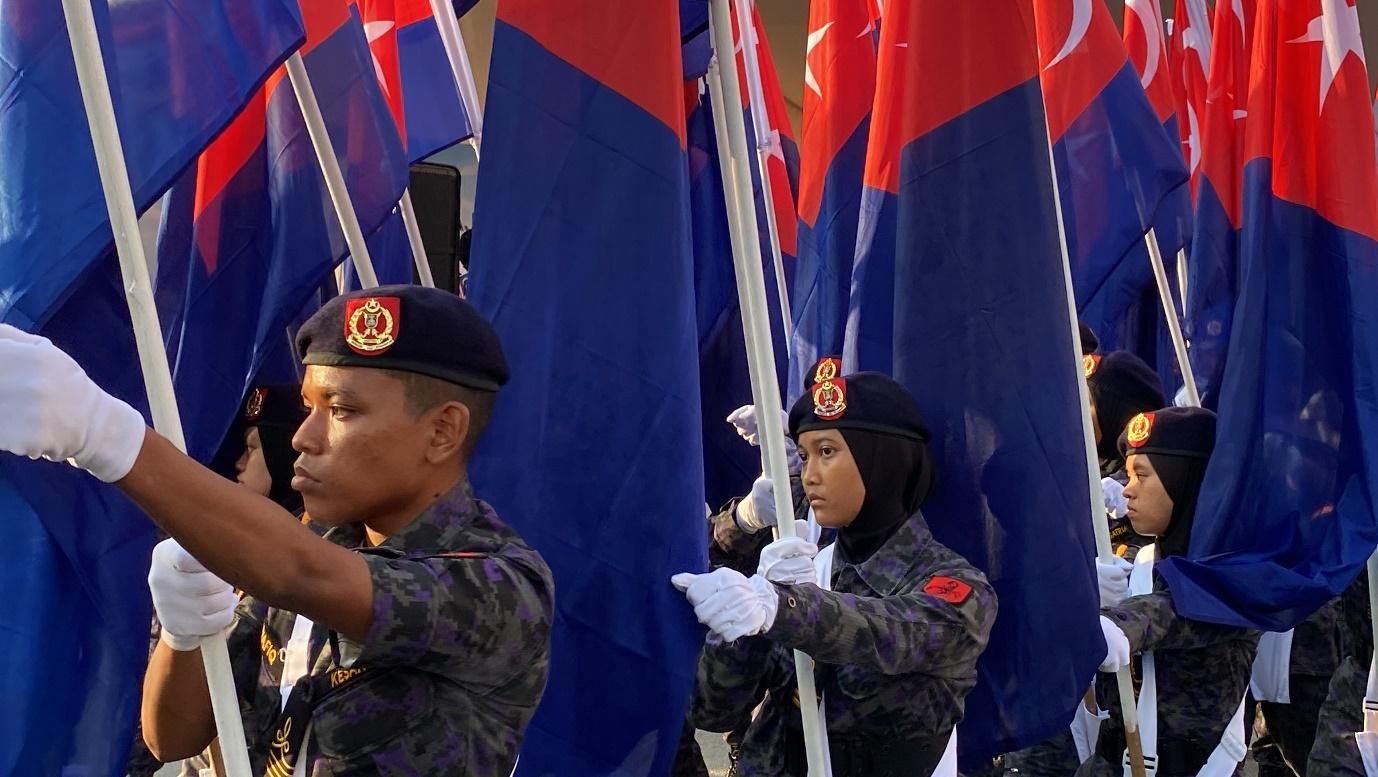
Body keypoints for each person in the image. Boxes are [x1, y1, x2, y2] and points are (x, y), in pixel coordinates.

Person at [0, 286, 554, 775]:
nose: (303, 438)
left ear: (442, 431)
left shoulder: (501, 582)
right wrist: (186, 634)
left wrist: (104, 435)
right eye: (309, 407)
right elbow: (172, 736)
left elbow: (302, 574)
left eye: (340, 411)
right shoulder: (310, 546)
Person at [673, 359, 997, 776]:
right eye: (805, 455)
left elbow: (887, 632)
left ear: (884, 461)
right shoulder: (801, 564)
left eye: (827, 452)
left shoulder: (955, 585)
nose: (809, 474)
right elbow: (712, 712)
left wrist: (780, 608)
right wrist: (740, 629)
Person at [1086, 408, 1260, 777]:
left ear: (1184, 481)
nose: (1127, 488)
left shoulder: (1235, 573)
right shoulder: (1143, 559)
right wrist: (1086, 587)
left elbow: (1174, 610)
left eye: (1142, 476)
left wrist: (1115, 622)